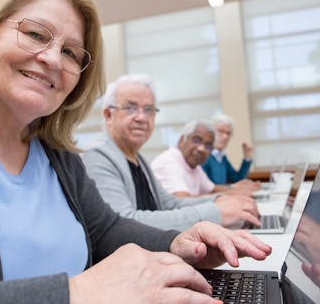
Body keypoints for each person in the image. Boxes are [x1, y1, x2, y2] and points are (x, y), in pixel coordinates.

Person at [0, 0, 272, 303]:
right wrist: (74, 294)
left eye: (70, 52)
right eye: (34, 34)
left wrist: (179, 242)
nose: (50, 58)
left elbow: (105, 232)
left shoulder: (56, 154)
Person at [82, 74, 262, 231]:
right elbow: (123, 223)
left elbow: (168, 204)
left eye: (149, 110)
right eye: (130, 108)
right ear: (108, 115)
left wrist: (220, 200)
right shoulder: (97, 156)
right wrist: (215, 212)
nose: (142, 117)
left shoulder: (138, 159)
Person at [151, 120, 259, 198]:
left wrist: (238, 189)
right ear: (181, 140)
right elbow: (182, 200)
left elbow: (212, 189)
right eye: (196, 140)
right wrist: (233, 192)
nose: (202, 149)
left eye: (208, 146)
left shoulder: (193, 165)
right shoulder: (169, 162)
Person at [202, 114, 259, 193]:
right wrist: (233, 187)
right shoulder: (202, 156)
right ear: (210, 133)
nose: (225, 137)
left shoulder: (221, 157)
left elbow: (237, 180)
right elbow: (206, 188)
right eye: (221, 131)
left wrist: (247, 157)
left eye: (228, 133)